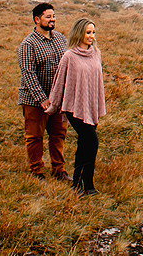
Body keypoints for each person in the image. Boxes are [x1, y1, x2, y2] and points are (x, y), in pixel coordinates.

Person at [46, 17, 107, 196]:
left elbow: (98, 81)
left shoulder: (96, 53)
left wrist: (97, 104)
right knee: (92, 142)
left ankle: (78, 185)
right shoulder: (69, 56)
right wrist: (53, 105)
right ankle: (87, 184)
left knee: (84, 144)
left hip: (90, 105)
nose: (91, 36)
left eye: (93, 32)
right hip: (74, 107)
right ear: (80, 33)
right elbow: (59, 83)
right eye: (88, 32)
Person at [17, 2, 69, 180]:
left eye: (53, 16)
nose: (52, 19)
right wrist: (42, 99)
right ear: (37, 19)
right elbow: (28, 74)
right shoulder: (28, 44)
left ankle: (59, 169)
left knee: (58, 135)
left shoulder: (61, 39)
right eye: (48, 16)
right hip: (33, 100)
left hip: (58, 99)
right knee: (34, 136)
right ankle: (36, 170)